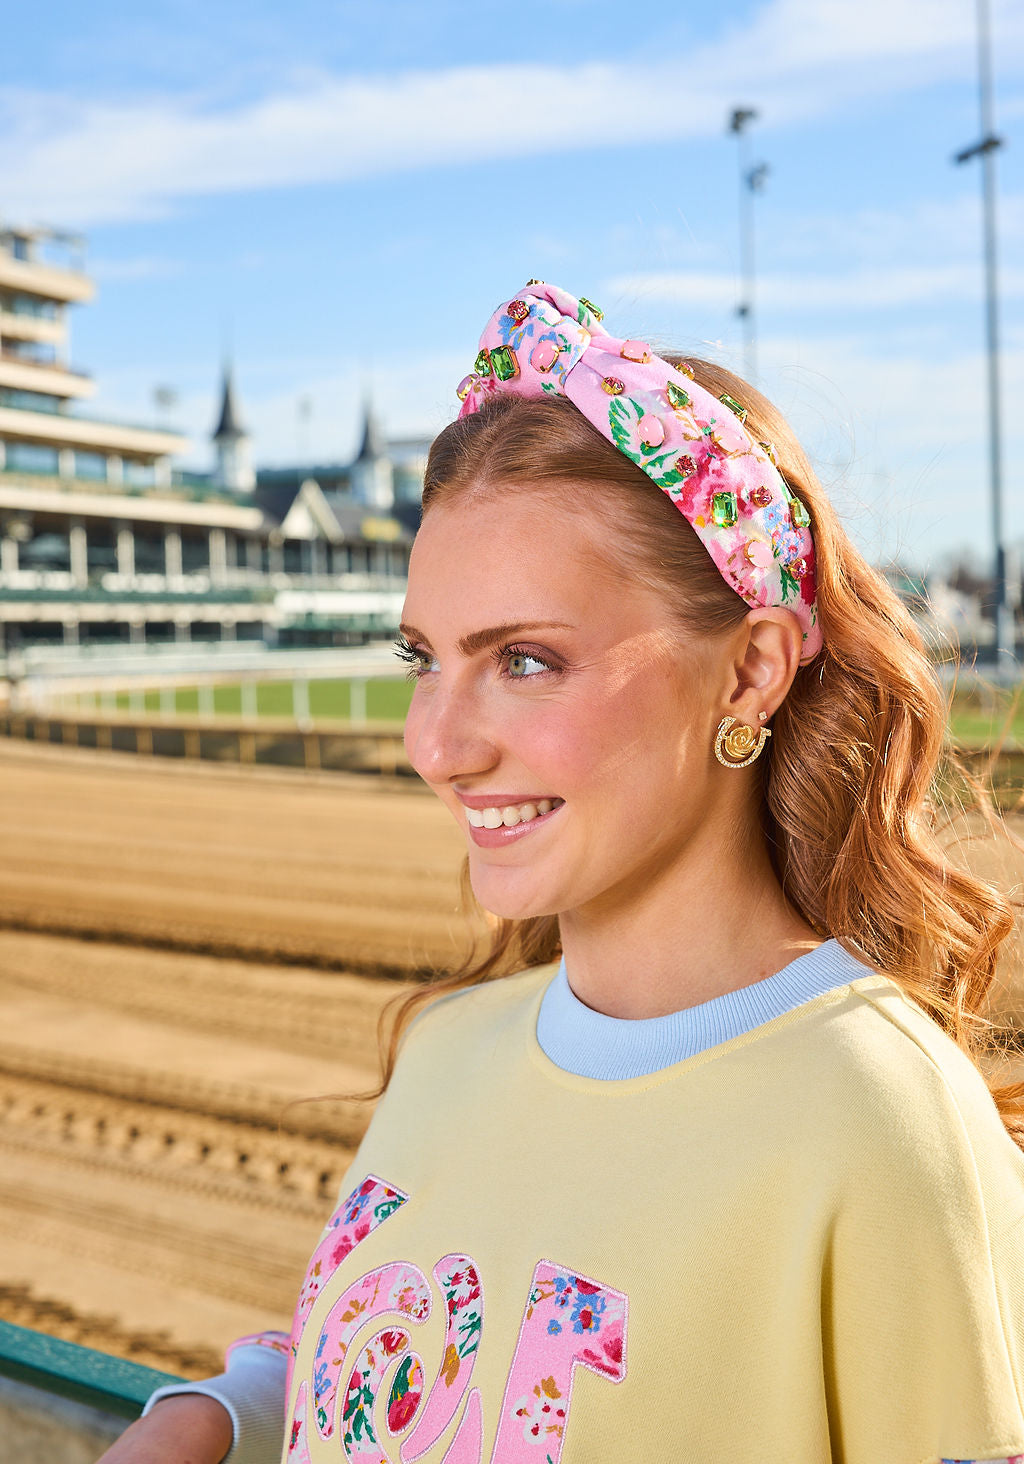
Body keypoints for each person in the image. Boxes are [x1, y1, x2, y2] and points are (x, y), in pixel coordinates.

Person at [99, 282, 1024, 1464]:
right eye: (423, 659)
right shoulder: (447, 1048)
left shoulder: (878, 1120)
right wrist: (223, 1413)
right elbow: (427, 1382)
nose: (435, 746)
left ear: (750, 672)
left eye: (525, 660)